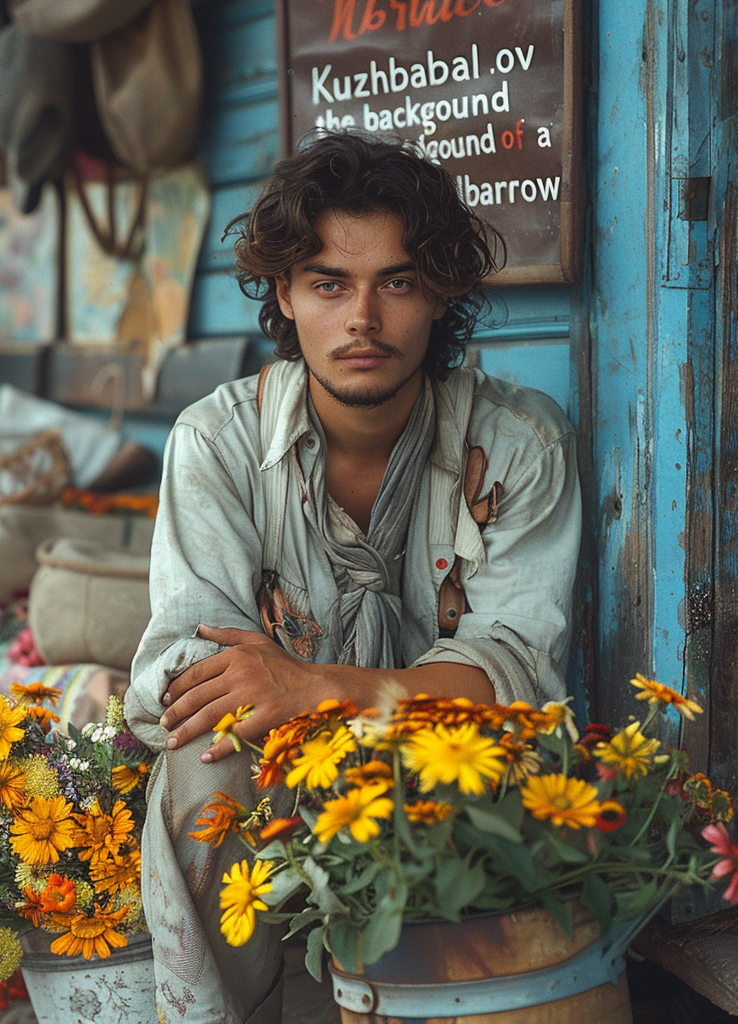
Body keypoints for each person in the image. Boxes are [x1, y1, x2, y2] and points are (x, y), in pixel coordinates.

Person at [125, 132, 581, 1024]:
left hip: (448, 764)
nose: (361, 320)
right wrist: (291, 706)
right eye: (330, 284)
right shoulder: (219, 441)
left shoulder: (519, 446)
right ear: (286, 296)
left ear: (439, 292)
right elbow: (186, 672)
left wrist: (319, 688)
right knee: (202, 761)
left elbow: (512, 679)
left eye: (397, 283)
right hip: (275, 765)